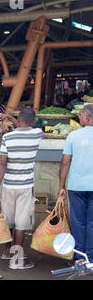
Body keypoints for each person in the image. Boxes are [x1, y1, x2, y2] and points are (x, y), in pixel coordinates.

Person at [0, 108, 43, 270]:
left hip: (8, 185)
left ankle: (7, 252)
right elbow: (23, 125)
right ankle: (16, 260)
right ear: (33, 121)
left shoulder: (7, 137)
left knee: (8, 220)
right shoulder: (37, 134)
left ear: (19, 119)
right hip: (25, 187)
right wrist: (11, 118)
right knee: (21, 224)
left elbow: (2, 163)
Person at [58, 104, 93, 262]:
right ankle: (91, 258)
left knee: (78, 222)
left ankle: (79, 257)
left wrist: (61, 186)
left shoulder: (73, 136)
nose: (79, 118)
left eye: (80, 115)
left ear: (87, 118)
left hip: (76, 186)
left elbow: (65, 163)